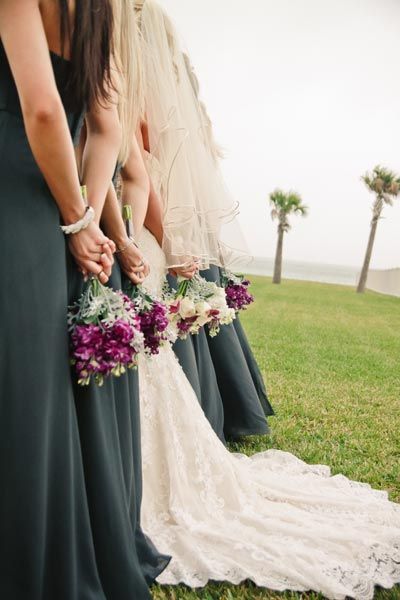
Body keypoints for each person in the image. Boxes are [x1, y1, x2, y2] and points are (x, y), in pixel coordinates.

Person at [112, 2, 400, 597]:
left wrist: (146, 238)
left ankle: (136, 486)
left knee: (142, 371)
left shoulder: (121, 86)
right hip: (136, 235)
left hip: (132, 237)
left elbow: (139, 170)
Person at [0, 1, 167, 598]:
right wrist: (87, 222)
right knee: (47, 391)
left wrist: (78, 220)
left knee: (20, 395)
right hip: (60, 197)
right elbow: (107, 132)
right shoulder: (101, 13)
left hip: (16, 196)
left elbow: (42, 108)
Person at [137, 0, 273, 441]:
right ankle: (227, 403)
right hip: (174, 205)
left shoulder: (132, 56)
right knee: (195, 292)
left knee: (181, 292)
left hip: (154, 200)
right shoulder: (167, 56)